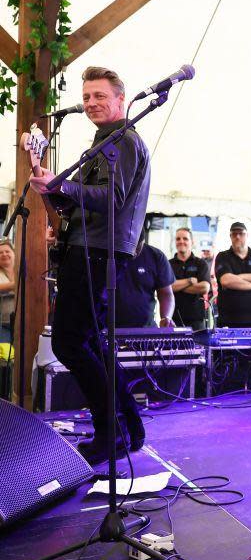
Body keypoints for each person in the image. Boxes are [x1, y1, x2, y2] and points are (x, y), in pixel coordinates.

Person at [28, 66, 151, 463]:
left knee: (68, 342)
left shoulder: (123, 142)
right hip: (88, 247)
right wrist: (55, 194)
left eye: (100, 95)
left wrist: (61, 185)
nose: (91, 103)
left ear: (121, 99)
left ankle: (110, 432)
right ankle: (129, 427)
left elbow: (111, 198)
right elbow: (83, 200)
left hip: (98, 252)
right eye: (86, 97)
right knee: (92, 344)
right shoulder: (103, 144)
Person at [214, 222, 251, 327]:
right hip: (229, 322)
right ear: (230, 236)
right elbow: (226, 281)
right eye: (234, 234)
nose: (237, 236)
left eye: (241, 233)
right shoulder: (223, 256)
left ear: (247, 235)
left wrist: (240, 277)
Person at [115, 238, 174, 329]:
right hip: (109, 330)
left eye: (137, 246)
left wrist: (166, 317)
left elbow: (166, 294)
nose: (134, 252)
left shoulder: (156, 256)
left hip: (145, 329)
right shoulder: (105, 253)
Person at [169, 227, 211, 330]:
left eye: (185, 239)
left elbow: (204, 288)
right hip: (174, 319)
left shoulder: (201, 263)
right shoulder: (168, 264)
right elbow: (166, 287)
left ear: (192, 242)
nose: (181, 241)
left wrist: (177, 285)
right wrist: (189, 281)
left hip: (196, 320)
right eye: (178, 239)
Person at [0, 239, 15, 344]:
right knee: (5, 357)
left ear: (14, 253)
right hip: (3, 325)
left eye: (7, 251)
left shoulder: (22, 270)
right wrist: (15, 285)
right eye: (0, 252)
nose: (4, 254)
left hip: (24, 323)